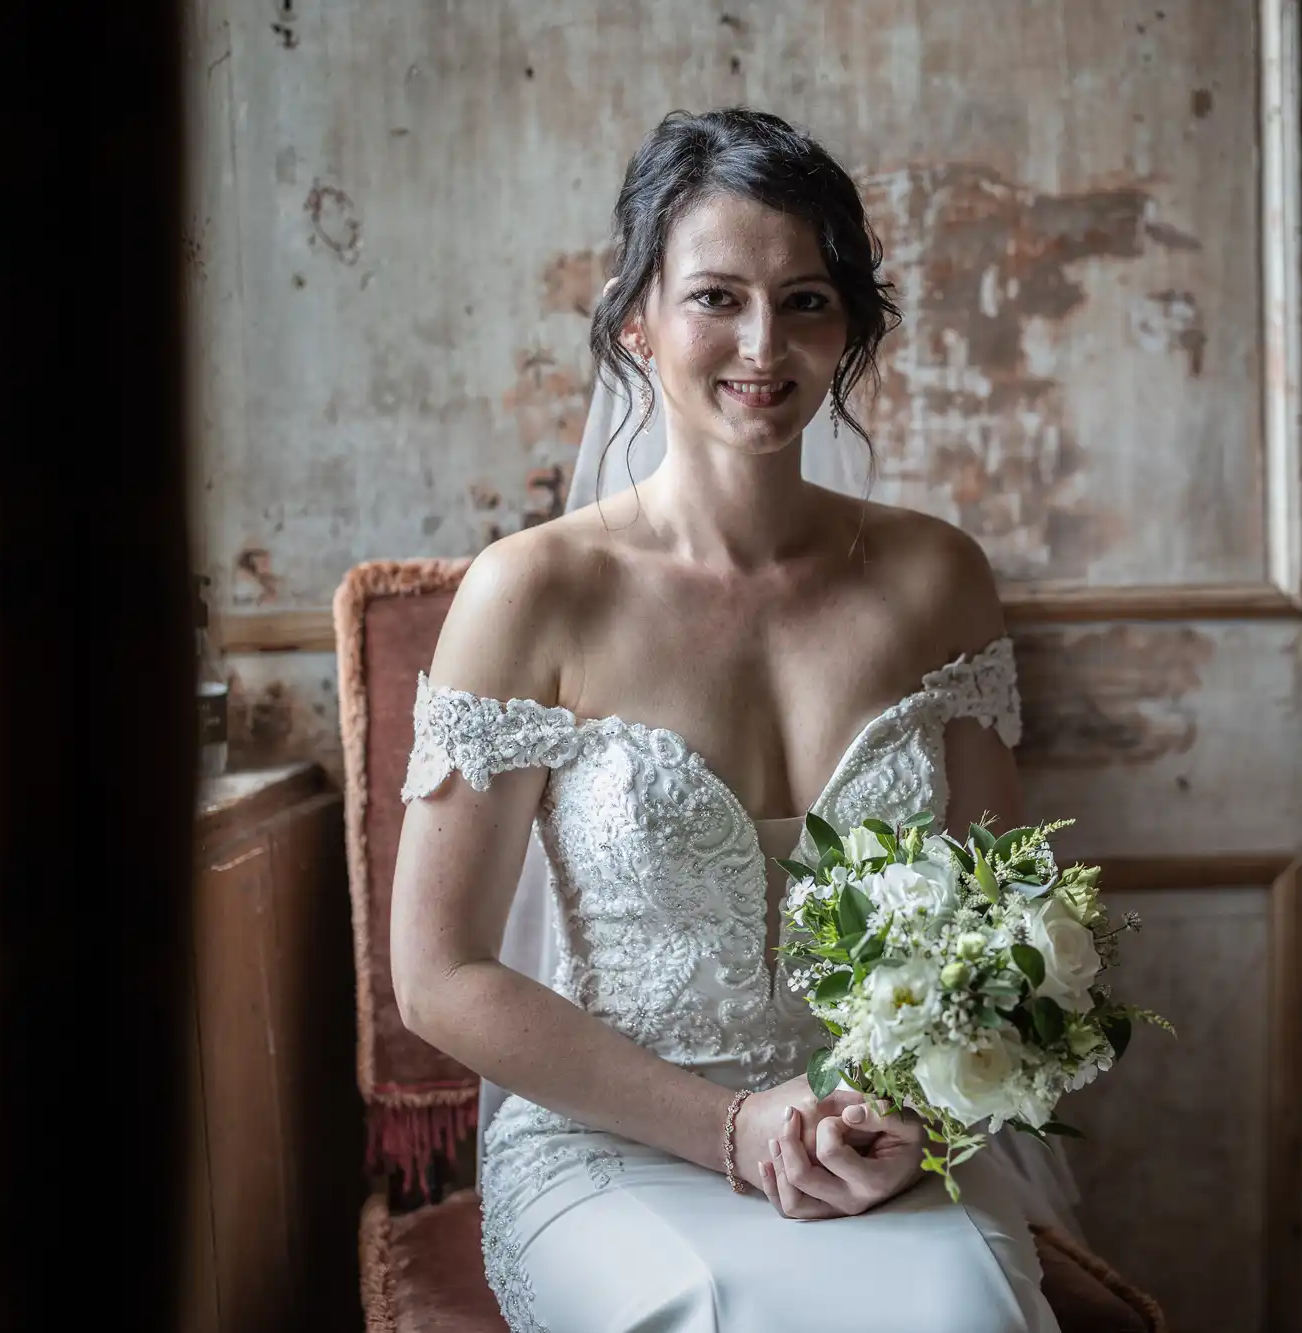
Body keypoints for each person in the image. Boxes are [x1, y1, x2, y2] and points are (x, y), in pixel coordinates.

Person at [390, 107, 1066, 1333]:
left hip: (874, 1137)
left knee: (960, 1319)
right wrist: (728, 1125)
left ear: (849, 324)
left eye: (807, 299)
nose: (765, 343)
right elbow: (439, 974)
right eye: (717, 296)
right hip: (615, 1143)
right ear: (635, 318)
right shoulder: (532, 591)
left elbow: (993, 916)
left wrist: (909, 1113)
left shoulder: (936, 580)